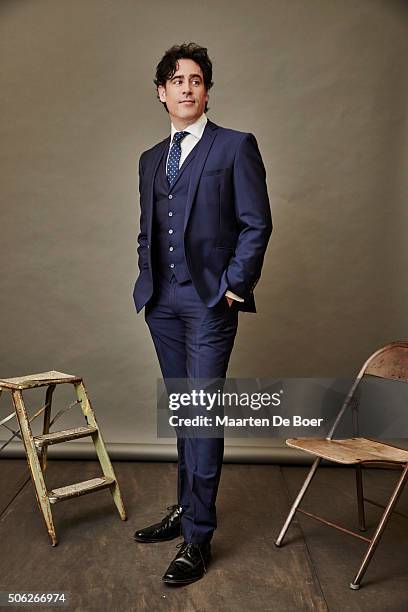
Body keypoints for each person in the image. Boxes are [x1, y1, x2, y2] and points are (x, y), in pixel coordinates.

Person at [132, 42, 272, 585]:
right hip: (162, 304)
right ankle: (185, 510)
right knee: (182, 413)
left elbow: (256, 222)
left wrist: (235, 286)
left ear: (206, 89)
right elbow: (148, 229)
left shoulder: (235, 147)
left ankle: (198, 537)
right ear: (161, 92)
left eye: (196, 79)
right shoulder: (149, 159)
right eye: (176, 79)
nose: (187, 87)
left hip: (210, 301)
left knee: (202, 413)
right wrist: (145, 283)